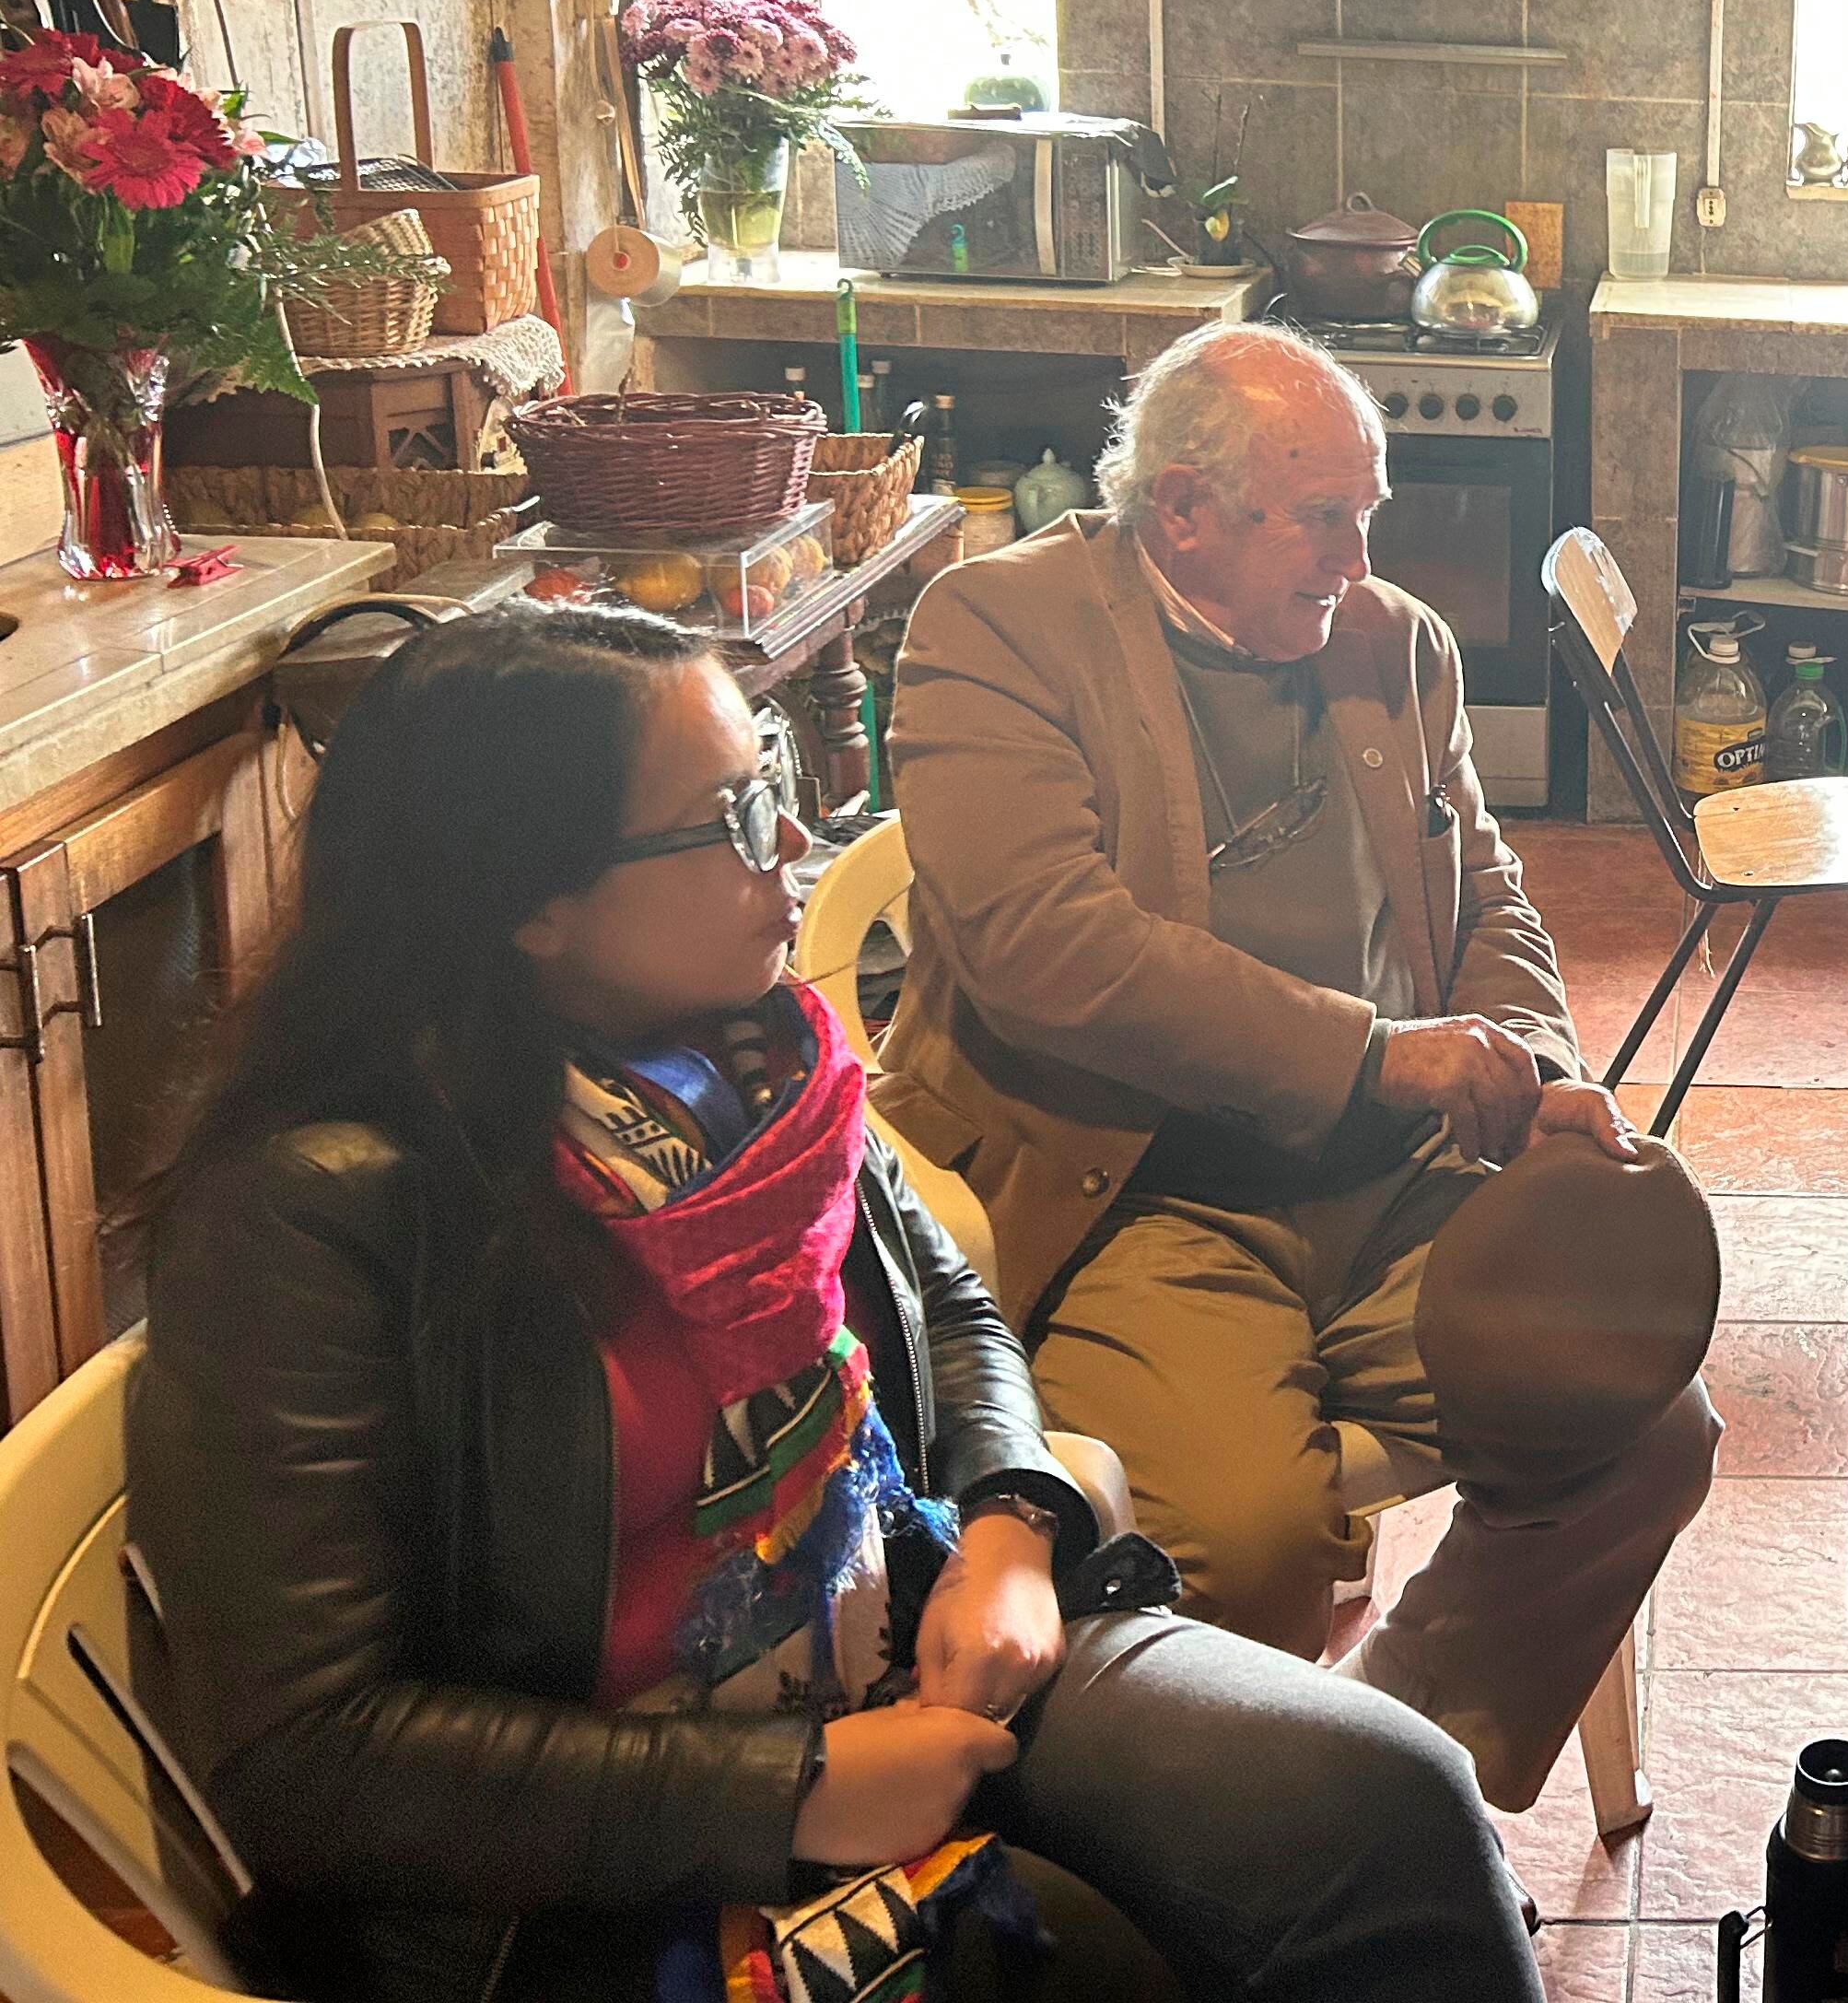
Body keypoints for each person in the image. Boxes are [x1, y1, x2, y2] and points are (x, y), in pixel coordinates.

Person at [132, 605, 1543, 2003]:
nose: (794, 844)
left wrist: (1007, 1529)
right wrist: (791, 1791)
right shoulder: (320, 1211)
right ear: (529, 901)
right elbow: (308, 1760)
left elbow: (953, 1311)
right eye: (735, 819)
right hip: (575, 1879)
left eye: (779, 792)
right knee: (1136, 1948)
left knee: (1394, 1804)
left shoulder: (760, 1074)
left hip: (894, 1654)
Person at [878, 322, 1718, 1811]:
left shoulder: (1393, 642)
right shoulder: (995, 629)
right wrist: (1385, 1058)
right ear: (1182, 511)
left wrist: (1521, 1057)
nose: (1360, 549)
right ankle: (1248, 1837)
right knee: (1248, 1527)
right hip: (1143, 1188)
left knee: (1644, 1411)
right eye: (1321, 514)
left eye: (1369, 508)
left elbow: (1489, 894)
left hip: (1393, 1181)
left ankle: (1388, 1773)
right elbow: (1048, 947)